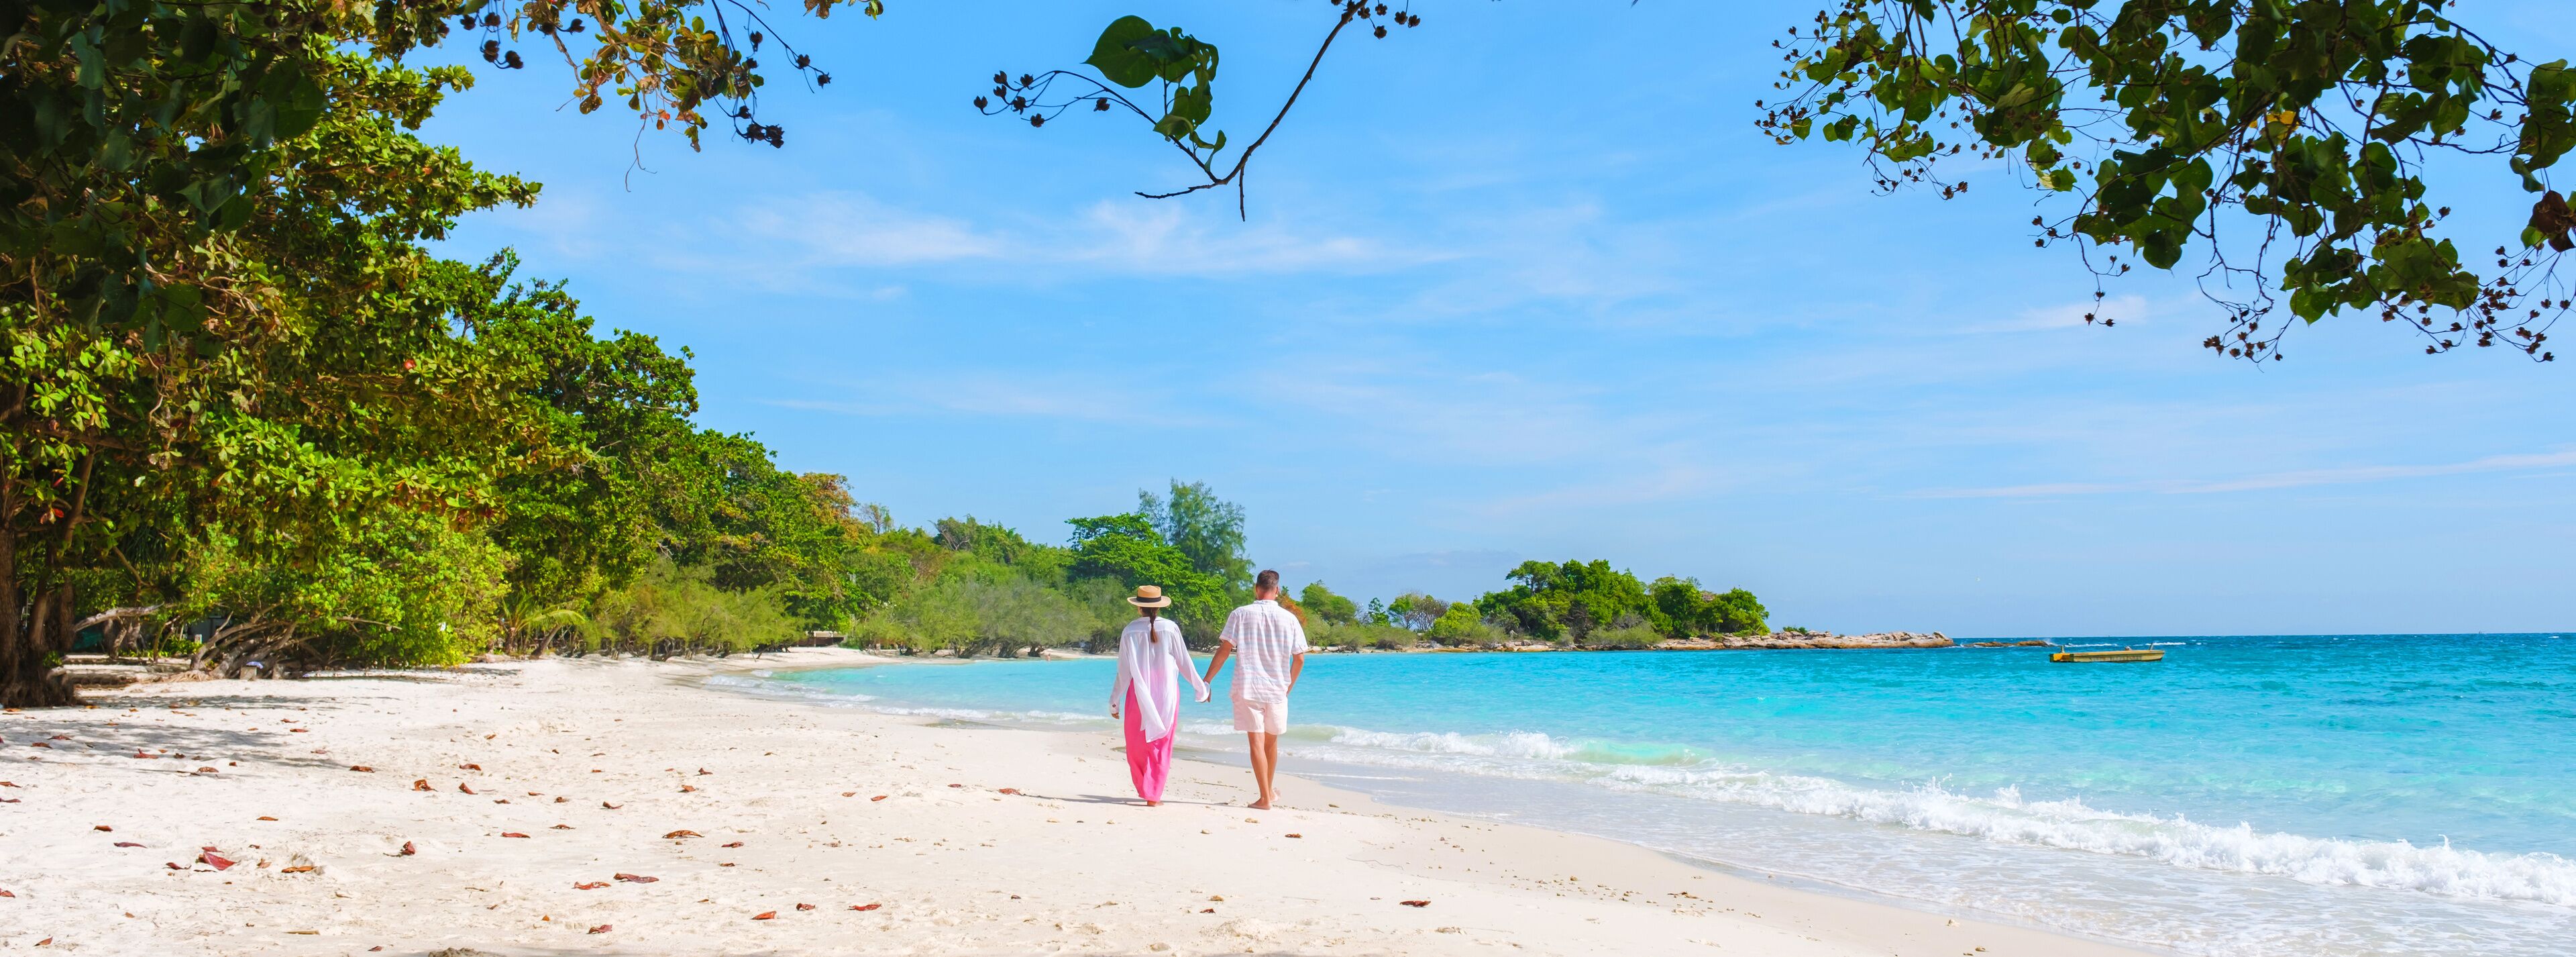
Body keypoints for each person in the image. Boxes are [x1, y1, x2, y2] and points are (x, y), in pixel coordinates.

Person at [1201, 569, 1308, 809]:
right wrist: (1287, 687)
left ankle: (1265, 798)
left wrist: (1207, 680)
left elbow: (1225, 650)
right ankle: (1267, 794)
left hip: (1248, 687)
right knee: (1271, 744)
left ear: (1256, 589)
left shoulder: (1240, 614)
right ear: (1277, 590)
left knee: (1256, 744)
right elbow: (1300, 659)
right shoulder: (1289, 619)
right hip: (1277, 691)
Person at [1108, 585, 1209, 806]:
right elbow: (1184, 663)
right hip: (1167, 694)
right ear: (1159, 606)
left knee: (1136, 744)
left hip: (1138, 694)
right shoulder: (1171, 628)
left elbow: (1124, 672)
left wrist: (1114, 701)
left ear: (1139, 608)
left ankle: (1146, 787)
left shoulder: (1130, 631)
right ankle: (1153, 794)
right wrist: (1201, 689)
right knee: (1161, 744)